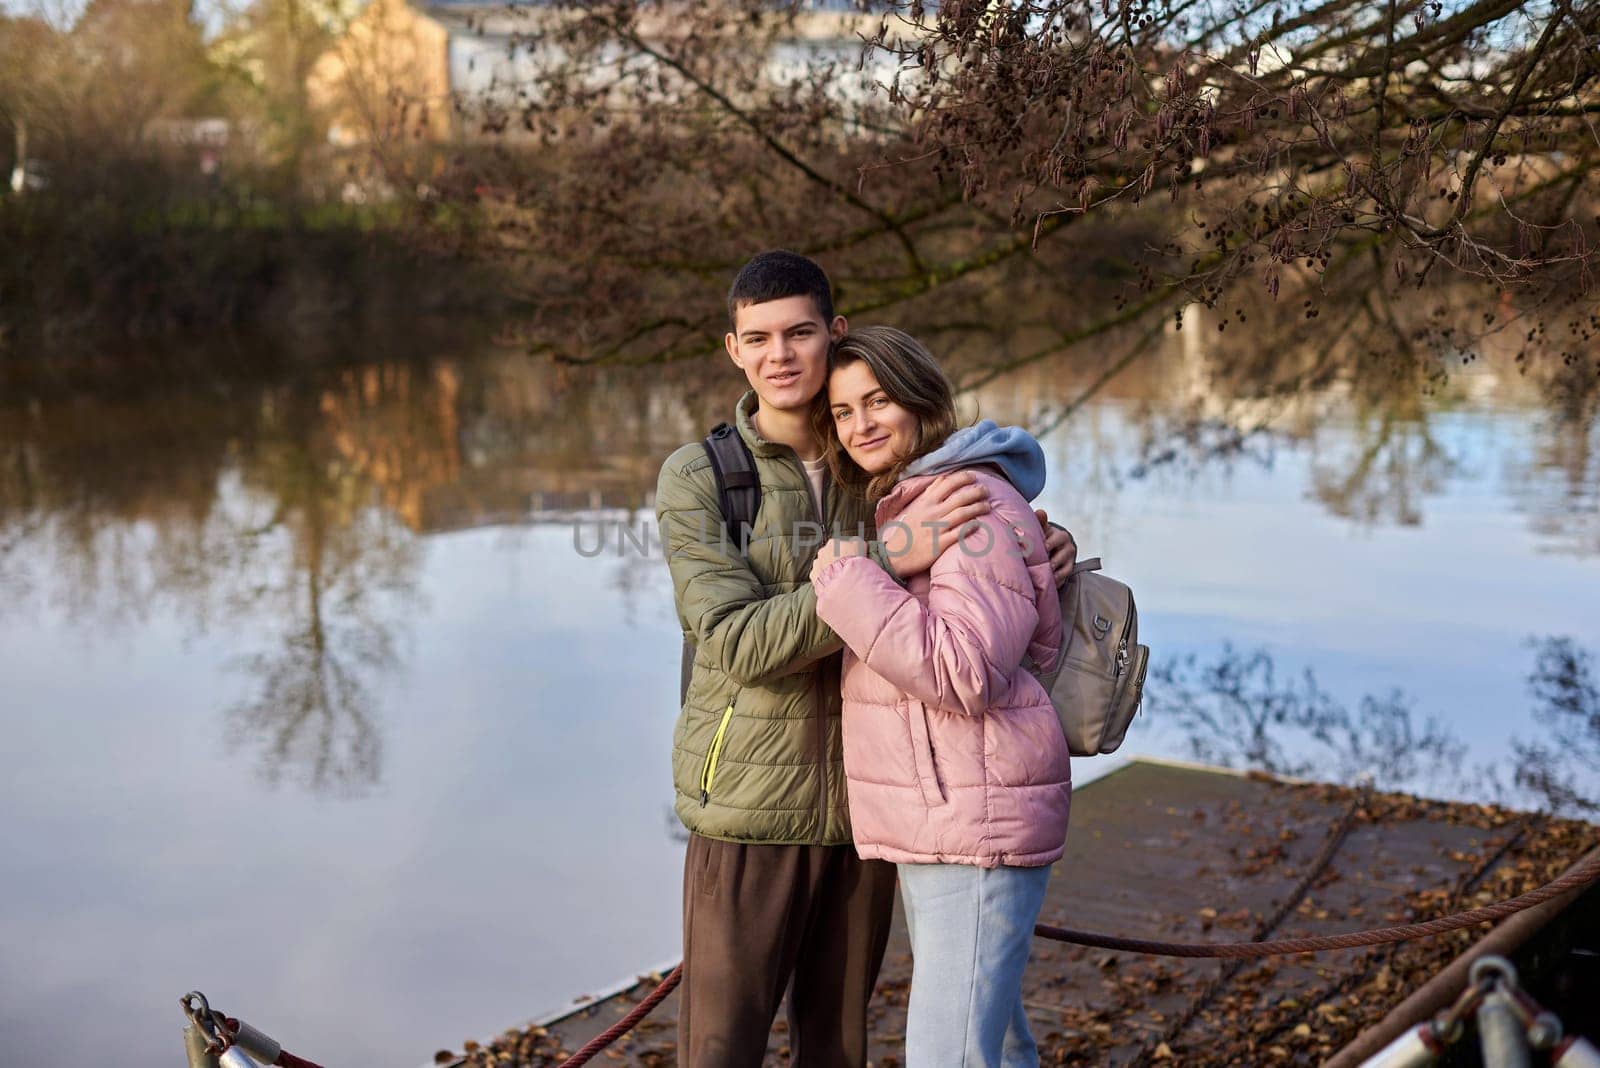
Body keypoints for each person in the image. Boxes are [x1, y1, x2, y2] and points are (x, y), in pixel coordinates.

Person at [655, 251, 1075, 1067]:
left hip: (871, 811)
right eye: (759, 337)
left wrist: (1039, 543)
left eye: (800, 333)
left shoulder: (874, 463)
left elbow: (970, 560)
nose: (781, 355)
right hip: (747, 803)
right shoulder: (702, 478)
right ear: (733, 349)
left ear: (832, 333)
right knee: (719, 1050)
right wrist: (885, 557)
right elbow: (737, 642)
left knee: (839, 1049)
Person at [808, 326, 1073, 1068]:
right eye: (842, 410)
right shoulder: (912, 503)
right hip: (948, 817)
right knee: (995, 1046)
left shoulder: (967, 504)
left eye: (878, 401)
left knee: (947, 1055)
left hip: (976, 823)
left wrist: (849, 581)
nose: (859, 425)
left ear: (922, 402)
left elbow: (965, 672)